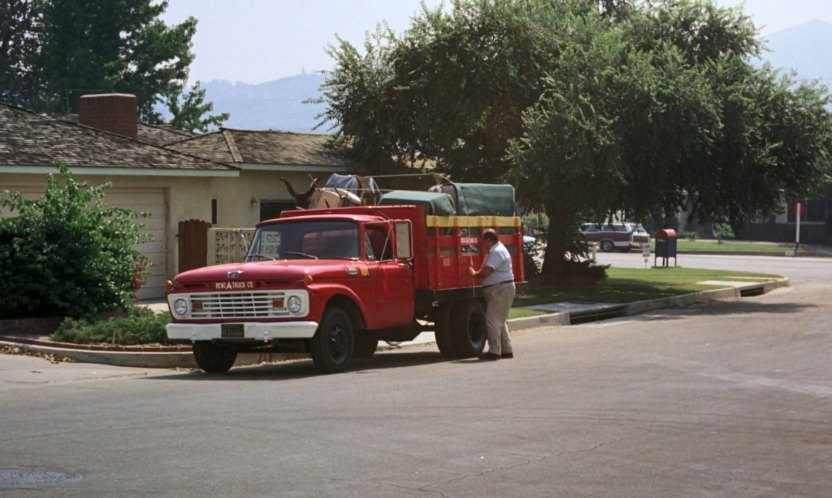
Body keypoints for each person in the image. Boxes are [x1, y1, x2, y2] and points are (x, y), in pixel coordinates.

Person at [467, 228, 515, 360]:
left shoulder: (496, 252)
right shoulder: (498, 250)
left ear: (489, 240)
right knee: (500, 321)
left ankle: (494, 351)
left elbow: (487, 272)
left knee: (492, 320)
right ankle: (506, 350)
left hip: (500, 289)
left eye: (484, 241)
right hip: (502, 288)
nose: (483, 244)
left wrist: (474, 274)